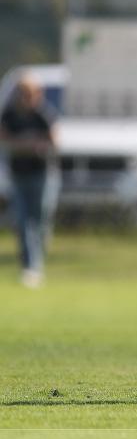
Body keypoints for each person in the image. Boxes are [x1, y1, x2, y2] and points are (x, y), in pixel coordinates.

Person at [0, 75, 58, 288]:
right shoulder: (9, 115)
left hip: (42, 174)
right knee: (23, 221)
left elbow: (54, 141)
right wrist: (28, 144)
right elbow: (4, 139)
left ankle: (37, 259)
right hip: (18, 175)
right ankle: (30, 267)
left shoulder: (43, 114)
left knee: (40, 219)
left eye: (28, 94)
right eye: (21, 93)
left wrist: (26, 144)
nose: (24, 98)